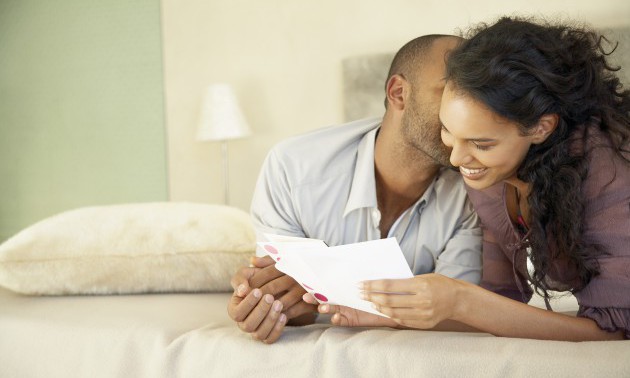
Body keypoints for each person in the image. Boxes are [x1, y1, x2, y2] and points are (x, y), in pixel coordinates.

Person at [319, 17, 630, 341]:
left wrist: (461, 299)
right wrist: (394, 315)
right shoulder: (492, 180)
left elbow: (616, 330)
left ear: (541, 127)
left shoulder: (607, 175)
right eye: (448, 132)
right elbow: (502, 301)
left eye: (482, 144)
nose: (456, 160)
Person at [227, 35, 483, 344]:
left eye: (477, 96)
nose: (469, 111)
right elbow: (287, 298)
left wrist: (316, 287)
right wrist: (269, 304)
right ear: (398, 93)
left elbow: (457, 313)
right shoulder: (293, 169)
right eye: (450, 91)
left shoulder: (477, 189)